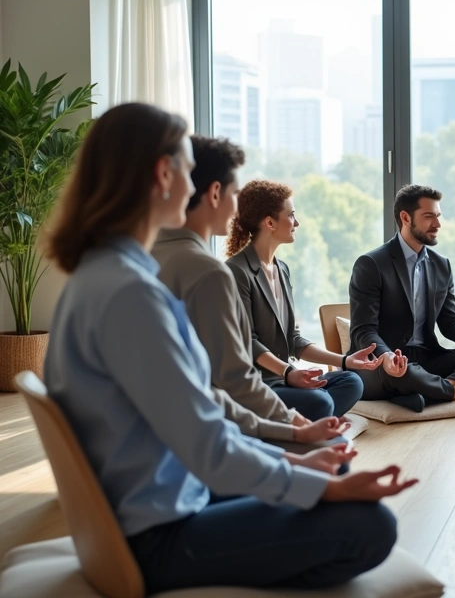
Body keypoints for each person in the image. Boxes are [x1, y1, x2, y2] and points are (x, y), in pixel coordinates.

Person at [42, 102, 416, 593]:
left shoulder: (97, 276)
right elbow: (205, 441)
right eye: (188, 167)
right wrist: (319, 484)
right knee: (371, 526)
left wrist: (296, 462)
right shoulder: (130, 292)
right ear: (163, 173)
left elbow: (199, 402)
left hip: (163, 494)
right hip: (156, 534)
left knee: (331, 477)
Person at [153, 136, 346, 450]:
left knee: (330, 401)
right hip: (187, 455)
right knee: (334, 449)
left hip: (171, 434)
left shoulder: (139, 256)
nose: (236, 210)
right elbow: (236, 382)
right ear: (215, 193)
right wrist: (296, 428)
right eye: (234, 193)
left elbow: (202, 386)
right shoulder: (210, 272)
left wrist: (343, 364)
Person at [349, 184, 455, 412]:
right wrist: (387, 356)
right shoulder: (371, 264)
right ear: (406, 217)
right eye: (429, 217)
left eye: (438, 216)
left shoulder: (441, 265)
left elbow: (451, 325)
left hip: (427, 359)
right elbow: (363, 331)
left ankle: (428, 392)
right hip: (381, 364)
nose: (437, 224)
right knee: (404, 371)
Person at [226, 180, 378, 422]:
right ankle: (306, 423)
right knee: (322, 401)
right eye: (291, 215)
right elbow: (248, 342)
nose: (297, 223)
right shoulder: (236, 272)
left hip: (286, 379)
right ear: (269, 222)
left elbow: (294, 340)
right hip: (259, 384)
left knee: (351, 381)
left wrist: (345, 360)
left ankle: (302, 424)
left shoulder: (282, 269)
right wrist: (287, 373)